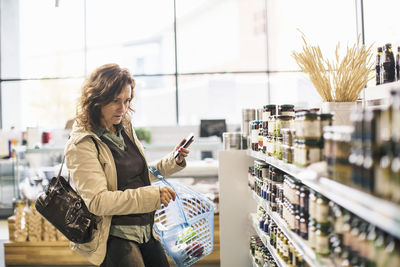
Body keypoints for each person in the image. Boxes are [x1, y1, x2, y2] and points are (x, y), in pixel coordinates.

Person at [65, 63, 193, 267]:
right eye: (115, 101)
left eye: (127, 100)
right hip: (115, 235)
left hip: (144, 229)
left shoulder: (123, 128)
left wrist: (173, 161)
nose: (122, 109)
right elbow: (98, 201)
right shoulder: (82, 144)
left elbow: (137, 174)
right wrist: (153, 195)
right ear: (97, 99)